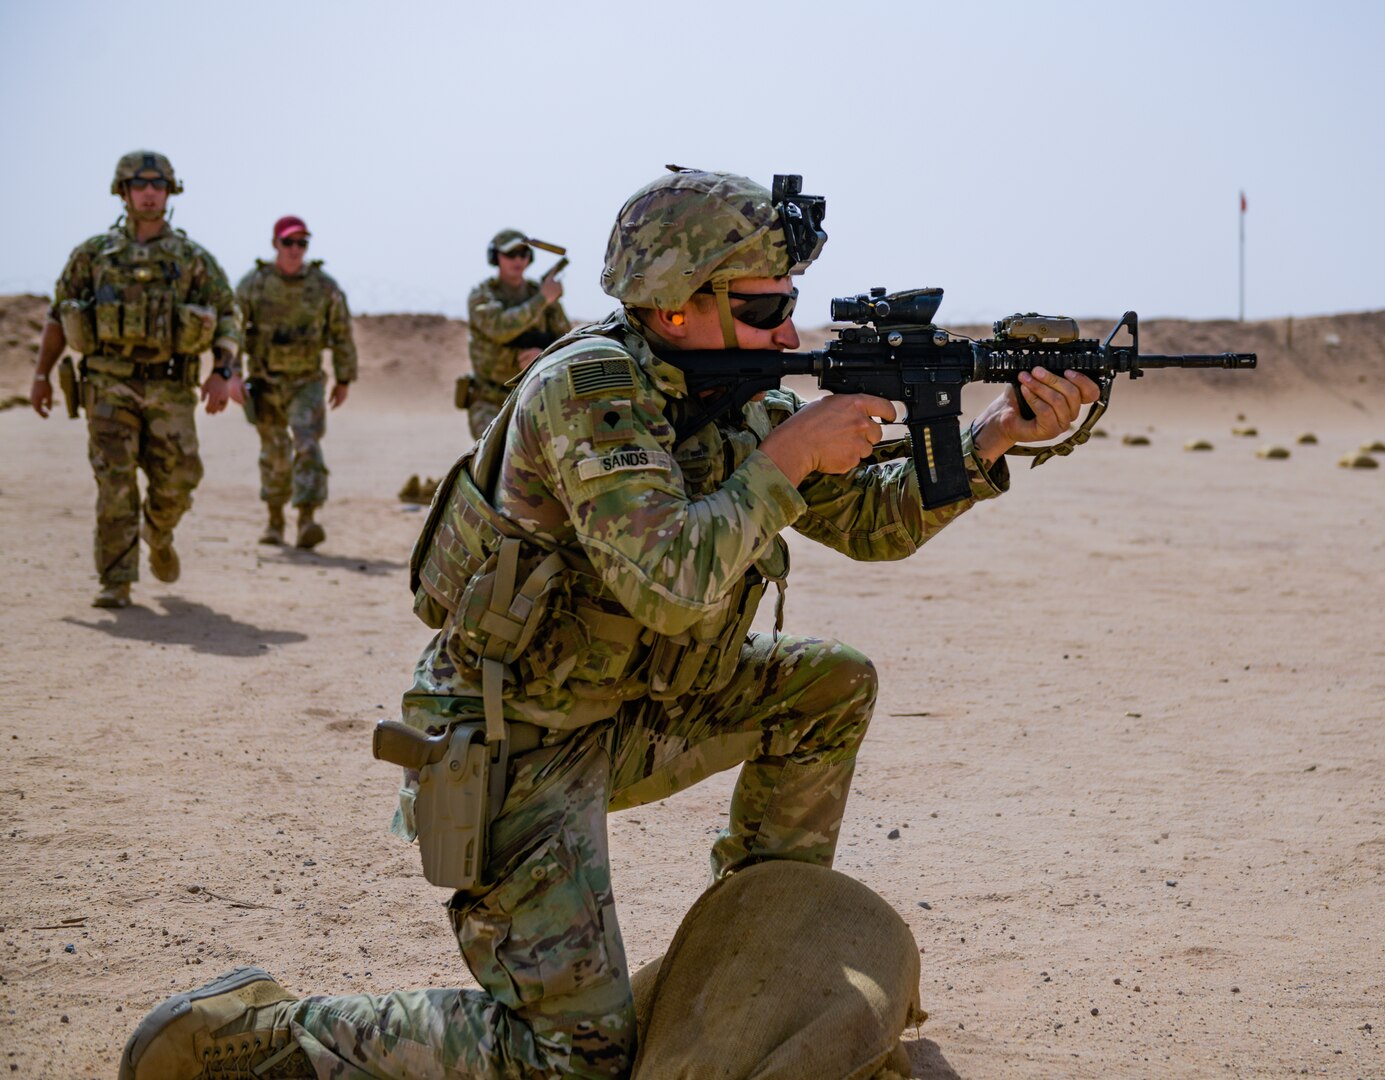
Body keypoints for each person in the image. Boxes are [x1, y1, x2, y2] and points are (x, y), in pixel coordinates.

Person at [119, 168, 1099, 1080]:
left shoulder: (738, 398)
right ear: (677, 305)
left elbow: (875, 523)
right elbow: (670, 583)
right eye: (765, 309)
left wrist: (998, 433)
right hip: (513, 748)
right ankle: (277, 1035)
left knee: (826, 683)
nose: (789, 332)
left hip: (633, 712)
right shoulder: (586, 394)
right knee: (577, 1062)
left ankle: (750, 951)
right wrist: (793, 454)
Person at [29, 150, 240, 609]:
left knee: (180, 479)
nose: (149, 193)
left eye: (158, 185)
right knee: (115, 482)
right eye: (140, 185)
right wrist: (41, 375)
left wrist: (224, 371)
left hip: (170, 386)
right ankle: (116, 579)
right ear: (123, 192)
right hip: (107, 384)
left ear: (169, 192)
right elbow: (57, 314)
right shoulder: (94, 255)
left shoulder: (192, 258)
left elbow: (227, 314)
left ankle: (158, 533)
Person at [235, 215, 358, 548]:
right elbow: (230, 331)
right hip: (264, 382)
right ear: (275, 244)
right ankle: (275, 521)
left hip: (306, 382)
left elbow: (342, 333)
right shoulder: (254, 285)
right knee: (274, 451)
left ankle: (307, 519)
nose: (295, 249)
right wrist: (230, 373)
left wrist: (344, 377)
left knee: (306, 443)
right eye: (288, 242)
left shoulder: (323, 286)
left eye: (301, 243)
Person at [462, 228, 570, 438]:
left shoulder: (538, 293)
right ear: (496, 257)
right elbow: (500, 328)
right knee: (493, 463)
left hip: (535, 397)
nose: (518, 260)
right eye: (510, 254)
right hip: (491, 402)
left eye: (523, 254)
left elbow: (566, 341)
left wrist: (543, 355)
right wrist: (543, 299)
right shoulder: (482, 296)